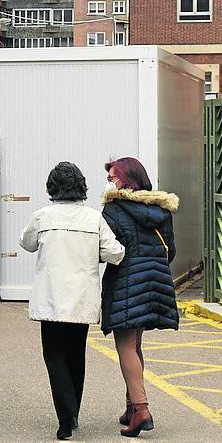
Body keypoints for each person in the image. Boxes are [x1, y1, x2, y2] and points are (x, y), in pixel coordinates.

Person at [20, 162, 125, 441]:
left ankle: (65, 419)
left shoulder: (42, 217)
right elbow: (115, 253)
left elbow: (26, 243)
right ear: (82, 187)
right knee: (76, 356)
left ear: (50, 188)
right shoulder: (94, 219)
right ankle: (73, 412)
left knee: (54, 356)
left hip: (51, 299)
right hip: (81, 299)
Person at [101, 157, 179, 438]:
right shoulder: (161, 209)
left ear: (127, 179)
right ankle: (131, 405)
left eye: (113, 177)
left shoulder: (113, 209)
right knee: (135, 345)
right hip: (155, 281)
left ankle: (142, 409)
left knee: (125, 346)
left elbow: (108, 249)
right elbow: (172, 251)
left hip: (125, 283)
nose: (110, 182)